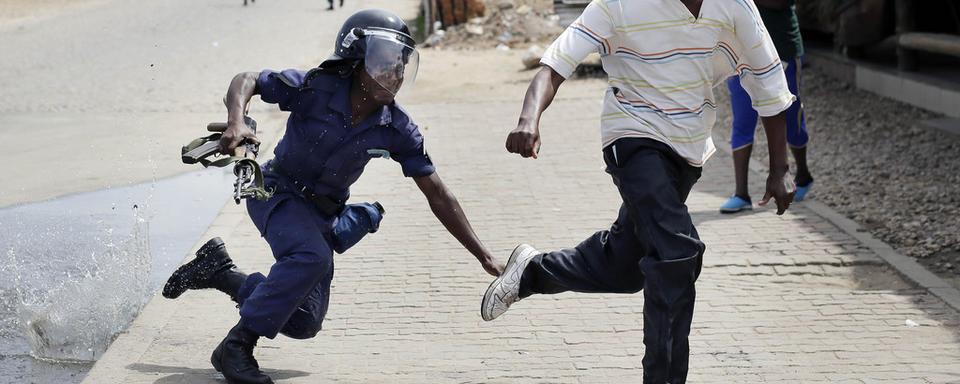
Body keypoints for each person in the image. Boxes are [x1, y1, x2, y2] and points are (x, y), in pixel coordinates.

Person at [162, 9, 503, 384]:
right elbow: (247, 79)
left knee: (304, 321)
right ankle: (237, 346)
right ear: (357, 60)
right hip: (275, 190)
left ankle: (220, 272)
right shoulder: (315, 87)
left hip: (322, 214)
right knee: (311, 257)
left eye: (402, 65)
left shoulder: (398, 128)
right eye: (386, 63)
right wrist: (236, 120)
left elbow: (437, 193)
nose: (396, 74)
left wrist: (483, 254)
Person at [480, 0, 796, 382]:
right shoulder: (618, 4)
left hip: (687, 148)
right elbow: (558, 61)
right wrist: (528, 118)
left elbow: (767, 80)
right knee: (677, 253)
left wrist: (779, 168)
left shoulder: (734, 5)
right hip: (632, 137)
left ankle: (530, 272)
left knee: (624, 266)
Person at [720, 0, 812, 214]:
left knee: (790, 118)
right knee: (742, 119)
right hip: (739, 52)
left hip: (782, 49)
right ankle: (741, 193)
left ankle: (803, 175)